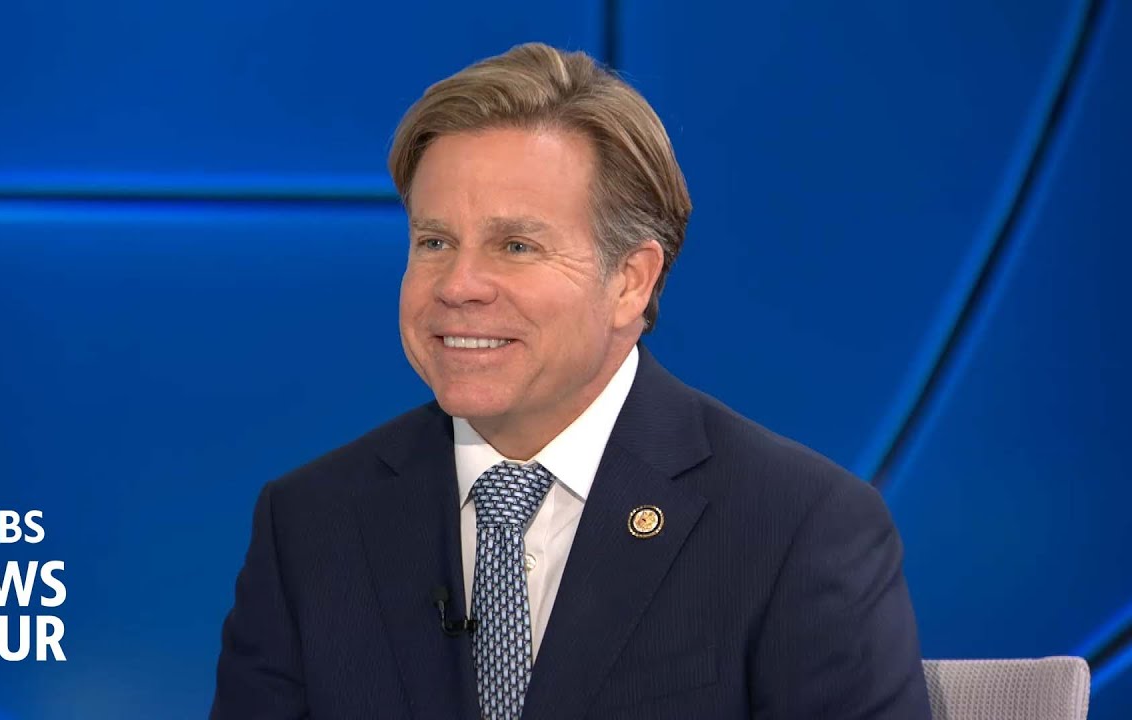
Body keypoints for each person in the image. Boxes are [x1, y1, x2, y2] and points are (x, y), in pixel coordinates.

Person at [211, 43, 931, 720]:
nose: (458, 285)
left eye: (516, 245)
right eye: (434, 242)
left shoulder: (798, 527)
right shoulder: (309, 525)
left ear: (630, 281)